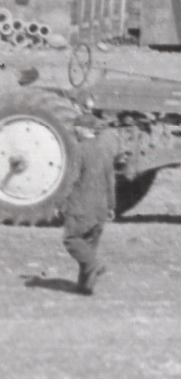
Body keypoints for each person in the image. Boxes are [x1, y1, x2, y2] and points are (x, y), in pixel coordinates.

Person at [56, 119, 118, 297]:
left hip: (80, 207)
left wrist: (60, 201)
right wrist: (112, 206)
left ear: (84, 129)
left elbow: (71, 180)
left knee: (71, 239)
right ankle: (85, 286)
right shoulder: (105, 151)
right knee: (89, 245)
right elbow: (111, 182)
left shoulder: (79, 150)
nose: (74, 130)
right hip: (100, 208)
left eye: (76, 127)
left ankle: (94, 266)